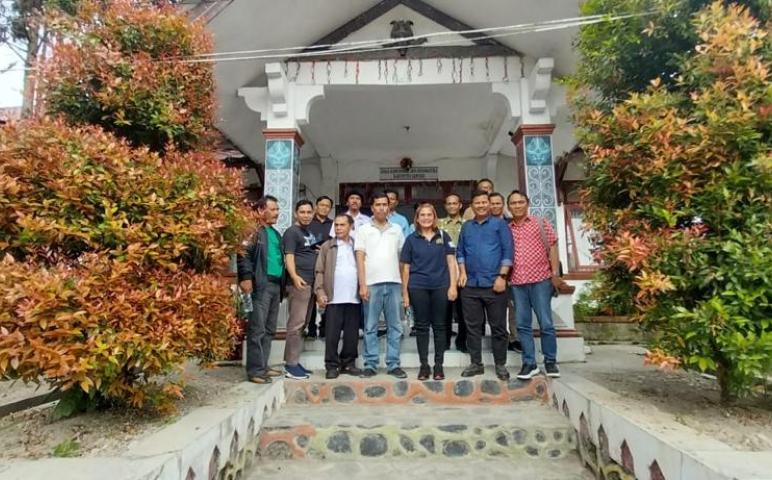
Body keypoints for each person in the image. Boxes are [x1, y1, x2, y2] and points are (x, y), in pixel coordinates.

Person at [456, 190, 513, 381]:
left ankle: (500, 364)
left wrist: (502, 277)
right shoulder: (467, 227)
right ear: (472, 206)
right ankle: (476, 363)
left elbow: (508, 251)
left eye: (483, 202)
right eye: (477, 203)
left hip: (494, 284)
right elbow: (460, 252)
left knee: (498, 327)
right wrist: (462, 273)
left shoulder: (500, 225)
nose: (480, 205)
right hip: (470, 285)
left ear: (489, 204)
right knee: (472, 328)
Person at [507, 190, 562, 380]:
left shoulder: (540, 222)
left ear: (527, 203)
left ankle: (550, 361)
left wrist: (555, 273)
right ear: (509, 207)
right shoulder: (507, 229)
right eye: (513, 203)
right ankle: (529, 363)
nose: (517, 205)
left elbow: (553, 245)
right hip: (517, 282)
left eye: (520, 202)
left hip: (541, 280)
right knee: (522, 325)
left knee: (546, 323)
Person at [400, 204, 457, 381]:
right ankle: (424, 365)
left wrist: (453, 286)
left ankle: (438, 365)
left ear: (434, 217)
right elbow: (406, 268)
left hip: (441, 286)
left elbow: (451, 262)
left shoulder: (443, 236)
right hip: (418, 287)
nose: (426, 218)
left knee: (440, 326)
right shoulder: (411, 239)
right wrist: (405, 293)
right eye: (422, 215)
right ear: (417, 219)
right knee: (422, 327)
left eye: (429, 215)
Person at [355, 192, 407, 378]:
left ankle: (393, 364)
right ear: (372, 207)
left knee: (395, 326)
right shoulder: (363, 229)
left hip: (394, 283)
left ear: (389, 206)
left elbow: (402, 259)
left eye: (385, 204)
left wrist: (404, 286)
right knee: (370, 326)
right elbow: (360, 258)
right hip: (371, 284)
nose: (382, 208)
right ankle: (371, 364)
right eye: (378, 204)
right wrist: (362, 284)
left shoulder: (397, 229)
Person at [237, 195, 285, 384]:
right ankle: (255, 371)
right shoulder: (252, 230)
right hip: (260, 285)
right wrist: (246, 277)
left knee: (269, 329)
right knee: (257, 328)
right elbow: (243, 254)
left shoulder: (275, 233)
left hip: (275, 286)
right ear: (260, 210)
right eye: (272, 209)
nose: (276, 213)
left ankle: (263, 366)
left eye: (277, 209)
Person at [315, 214, 364, 379]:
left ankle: (348, 363)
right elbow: (319, 271)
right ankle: (331, 365)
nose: (338, 228)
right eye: (336, 225)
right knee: (332, 334)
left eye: (342, 225)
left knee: (352, 334)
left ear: (351, 227)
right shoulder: (327, 246)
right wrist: (320, 291)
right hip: (334, 297)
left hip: (353, 297)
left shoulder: (357, 245)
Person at [282, 200, 319, 380]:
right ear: (296, 213)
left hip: (310, 283)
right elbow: (289, 256)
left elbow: (307, 251)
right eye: (302, 212)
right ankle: (290, 365)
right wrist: (295, 276)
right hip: (299, 283)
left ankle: (295, 361)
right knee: (296, 324)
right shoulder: (292, 232)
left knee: (303, 324)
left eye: (309, 212)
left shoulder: (308, 232)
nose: (306, 215)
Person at [437, 193, 467, 352]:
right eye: (449, 203)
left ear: (460, 205)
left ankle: (462, 341)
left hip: (464, 269)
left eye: (455, 203)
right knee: (444, 309)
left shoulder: (468, 224)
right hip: (444, 270)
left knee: (464, 309)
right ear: (445, 206)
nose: (452, 206)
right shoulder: (438, 224)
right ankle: (445, 340)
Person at [306, 195, 333, 339]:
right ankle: (311, 328)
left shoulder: (333, 225)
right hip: (310, 262)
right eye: (322, 205)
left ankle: (324, 328)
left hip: (327, 264)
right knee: (311, 296)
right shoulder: (308, 223)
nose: (324, 208)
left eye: (327, 206)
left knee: (326, 294)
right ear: (316, 206)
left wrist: (324, 251)